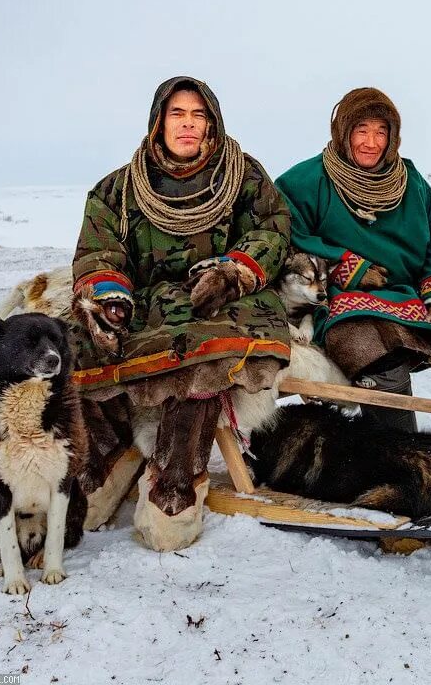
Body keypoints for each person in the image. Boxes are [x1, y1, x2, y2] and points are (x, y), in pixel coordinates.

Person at [69, 76, 292, 552]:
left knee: (204, 353)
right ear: (158, 121)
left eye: (198, 116)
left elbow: (273, 229)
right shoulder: (119, 189)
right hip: (146, 298)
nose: (188, 125)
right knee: (81, 343)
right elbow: (99, 250)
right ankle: (101, 467)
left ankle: (176, 488)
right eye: (177, 114)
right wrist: (110, 297)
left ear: (212, 124)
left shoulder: (244, 175)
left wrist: (234, 272)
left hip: (219, 298)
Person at [276, 88, 431, 432]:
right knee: (371, 346)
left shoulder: (410, 182)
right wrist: (346, 266)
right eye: (361, 130)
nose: (371, 142)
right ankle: (401, 446)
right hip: (346, 301)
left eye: (381, 132)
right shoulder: (307, 181)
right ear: (343, 131)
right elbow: (288, 233)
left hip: (411, 294)